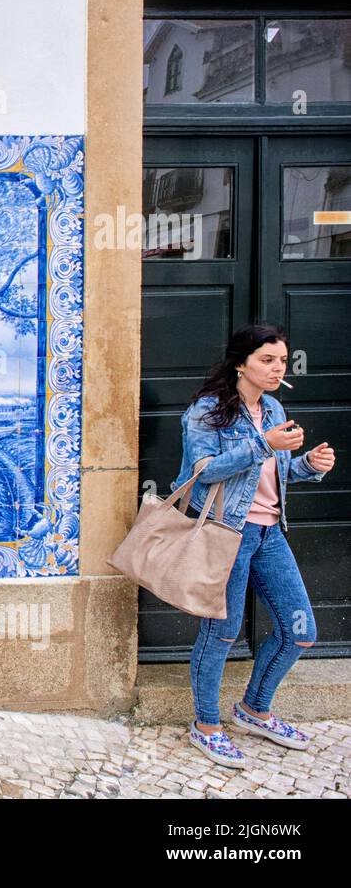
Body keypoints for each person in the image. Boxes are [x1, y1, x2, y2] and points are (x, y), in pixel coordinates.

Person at [173, 324, 335, 768]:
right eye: (267, 359)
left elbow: (276, 475)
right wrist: (263, 443)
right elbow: (203, 471)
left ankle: (254, 710)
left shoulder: (274, 406)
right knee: (221, 632)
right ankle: (206, 725)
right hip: (226, 534)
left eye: (282, 360)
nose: (277, 367)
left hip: (269, 534)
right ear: (240, 363)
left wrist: (309, 465)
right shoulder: (207, 412)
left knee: (300, 631)